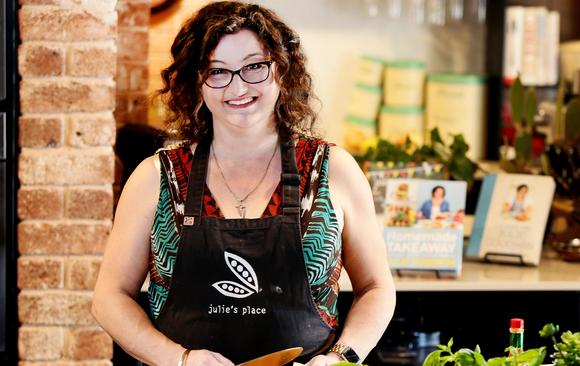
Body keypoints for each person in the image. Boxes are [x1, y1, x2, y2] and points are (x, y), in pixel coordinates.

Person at [91, 2, 396, 366]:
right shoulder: (155, 178)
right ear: (196, 82)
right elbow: (109, 298)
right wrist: (181, 359)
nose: (237, 86)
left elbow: (377, 288)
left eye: (254, 66)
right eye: (217, 71)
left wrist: (341, 358)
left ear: (282, 70)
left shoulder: (333, 170)